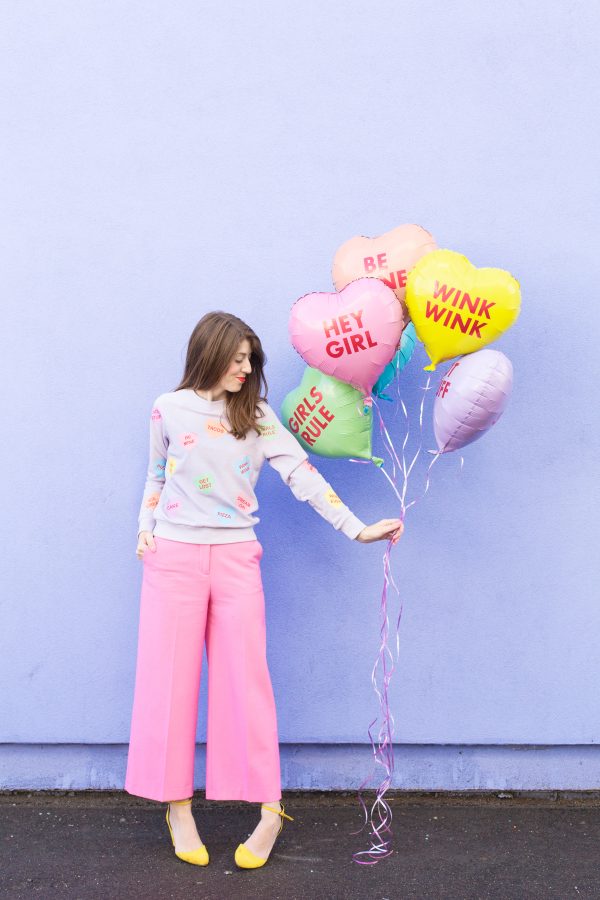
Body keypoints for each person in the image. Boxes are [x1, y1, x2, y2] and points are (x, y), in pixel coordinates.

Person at [124, 311, 404, 870]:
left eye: (251, 359)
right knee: (168, 685)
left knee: (245, 682)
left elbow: (301, 475)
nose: (246, 368)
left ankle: (270, 811)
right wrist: (145, 528)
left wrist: (357, 527)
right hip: (172, 558)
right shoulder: (167, 408)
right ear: (209, 353)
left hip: (235, 558)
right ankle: (177, 807)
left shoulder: (254, 415)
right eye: (237, 358)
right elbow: (158, 473)